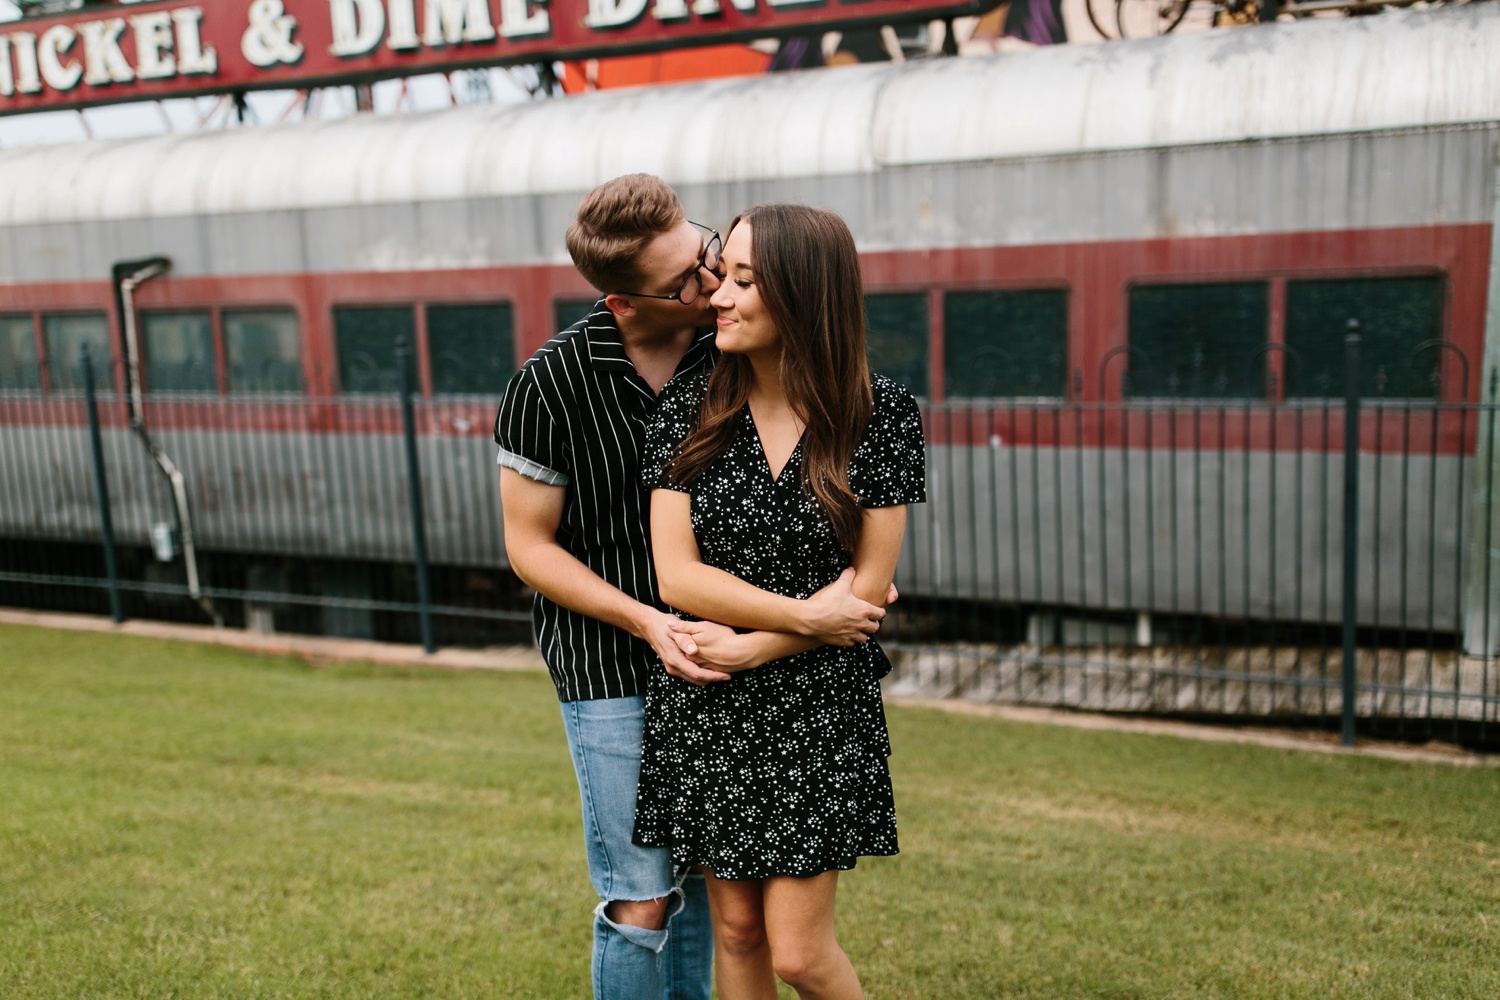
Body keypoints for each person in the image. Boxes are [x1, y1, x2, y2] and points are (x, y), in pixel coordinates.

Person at [493, 176, 888, 1000]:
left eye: (707, 253)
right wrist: (648, 622)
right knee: (641, 898)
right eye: (689, 281)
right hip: (611, 657)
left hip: (735, 656)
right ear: (627, 303)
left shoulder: (734, 347)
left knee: (723, 905)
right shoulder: (551, 383)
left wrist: (781, 628)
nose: (712, 283)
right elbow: (529, 548)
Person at [632, 203, 927, 1000]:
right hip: (709, 703)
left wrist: (758, 644)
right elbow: (677, 577)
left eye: (741, 280)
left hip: (817, 704)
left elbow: (865, 590)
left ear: (801, 292)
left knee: (799, 952)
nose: (718, 297)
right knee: (737, 932)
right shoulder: (691, 405)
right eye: (721, 274)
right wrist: (802, 616)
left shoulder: (881, 414)